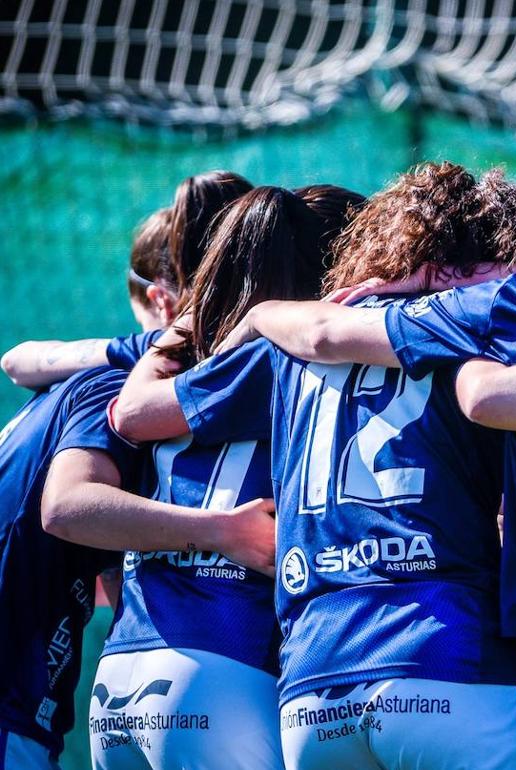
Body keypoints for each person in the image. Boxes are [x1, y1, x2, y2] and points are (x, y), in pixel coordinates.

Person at [112, 164, 516, 770]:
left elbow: (135, 416)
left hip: (312, 693)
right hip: (449, 661)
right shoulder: (481, 342)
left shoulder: (291, 345)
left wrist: (224, 323)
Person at [63, 184, 361, 770]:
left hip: (121, 675)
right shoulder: (300, 365)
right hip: (227, 665)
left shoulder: (172, 366)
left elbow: (37, 368)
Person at [0, 198, 267, 769]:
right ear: (167, 302)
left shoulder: (76, 383)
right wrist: (222, 531)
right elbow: (69, 505)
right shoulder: (113, 388)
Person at [1, 171, 253, 389]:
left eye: (143, 321)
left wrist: (151, 344)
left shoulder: (164, 349)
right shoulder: (276, 325)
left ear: (161, 301)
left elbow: (15, 362)